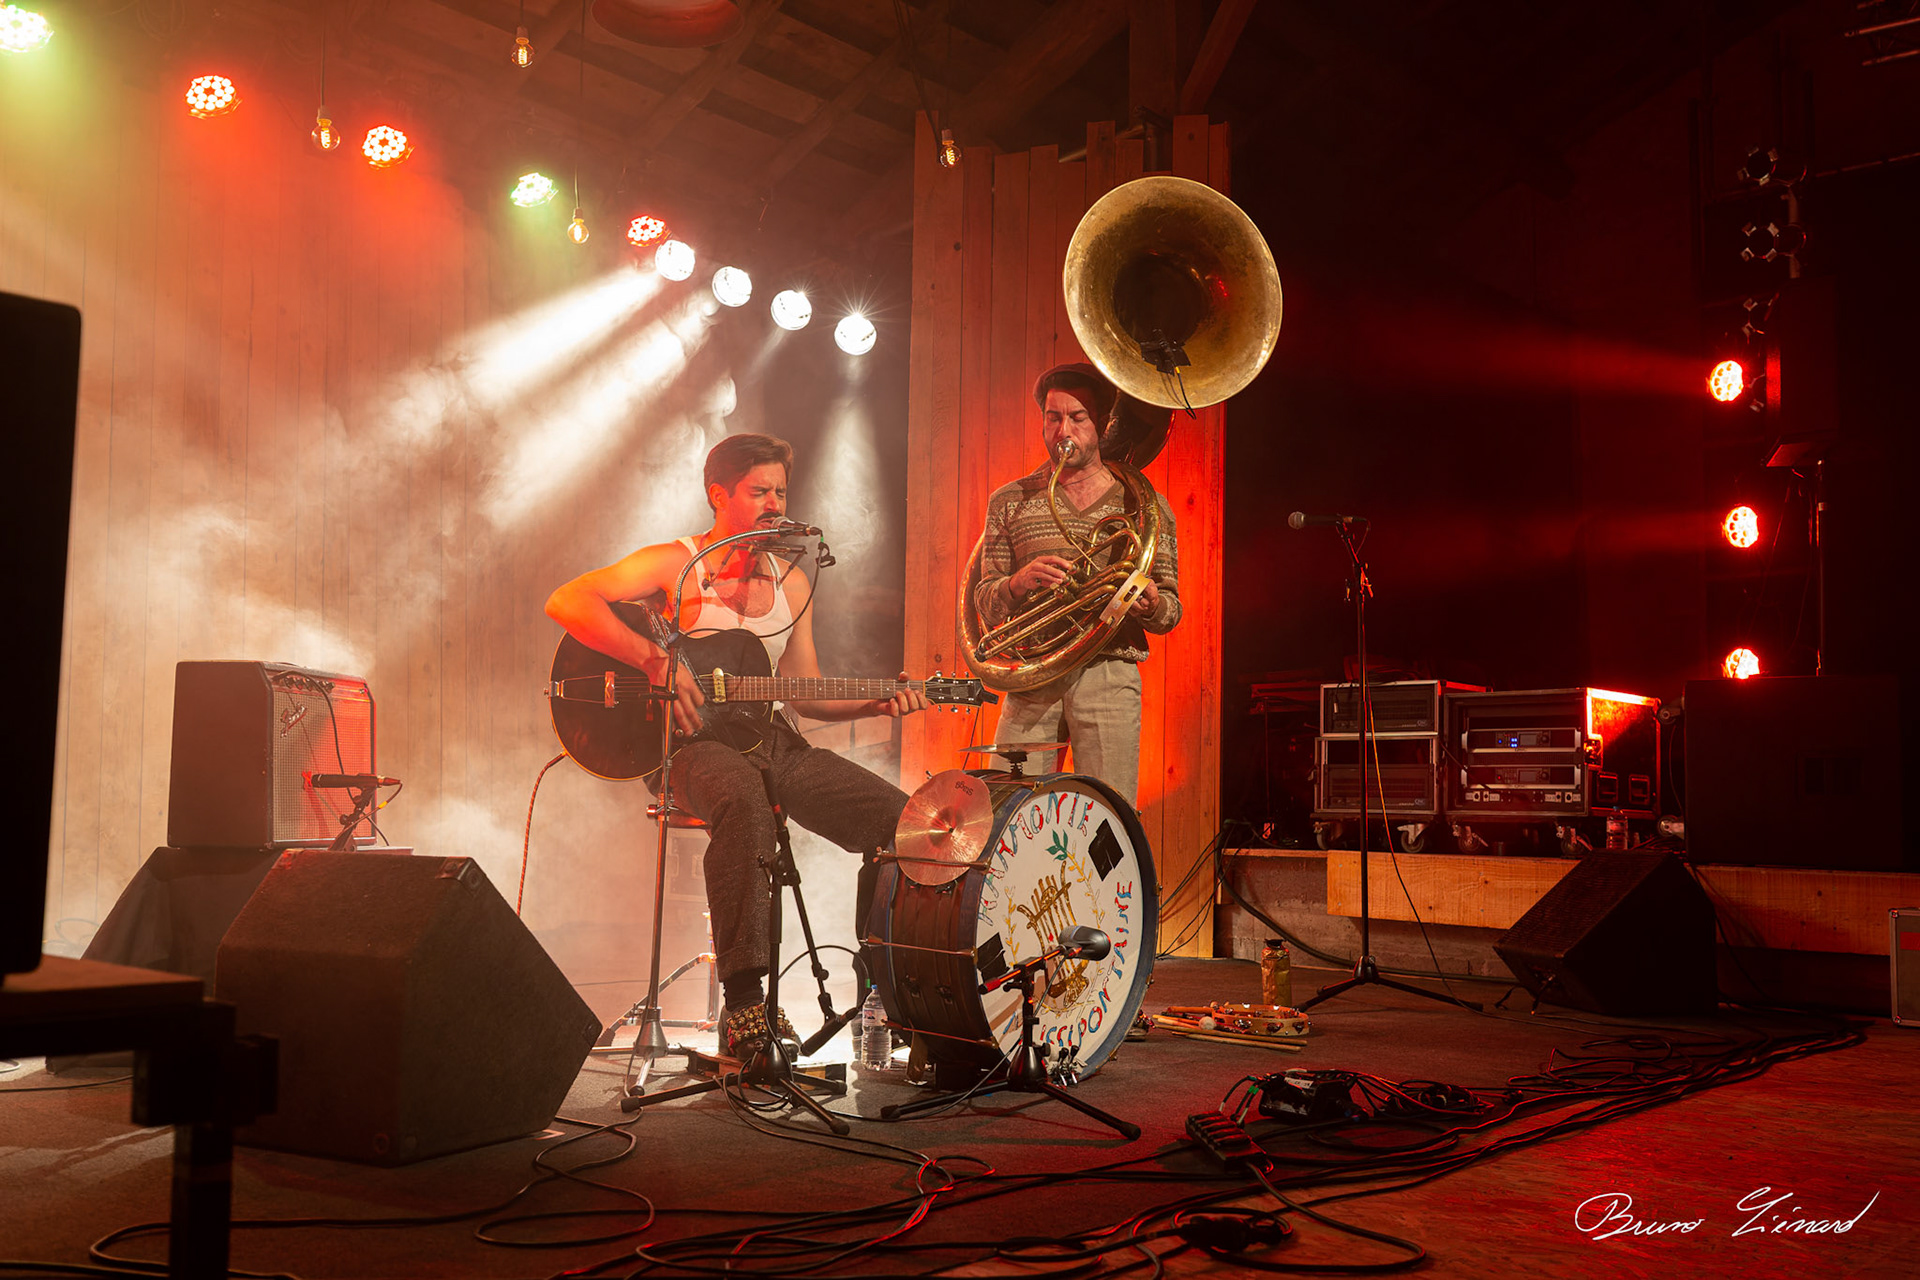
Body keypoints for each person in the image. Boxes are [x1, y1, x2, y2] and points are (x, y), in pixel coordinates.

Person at [546, 433, 927, 1060]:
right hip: (684, 746)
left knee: (898, 821)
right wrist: (653, 660)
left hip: (771, 741)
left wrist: (878, 700)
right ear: (718, 495)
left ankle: (882, 993)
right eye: (759, 491)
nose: (775, 502)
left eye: (781, 490)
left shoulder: (793, 586)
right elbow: (567, 599)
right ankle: (746, 1007)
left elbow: (801, 694)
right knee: (746, 803)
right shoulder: (676, 562)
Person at [971, 363, 1181, 805]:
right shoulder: (1010, 500)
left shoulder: (1145, 504)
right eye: (1053, 417)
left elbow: (1171, 612)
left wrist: (1151, 603)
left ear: (1102, 423)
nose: (1062, 429)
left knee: (1109, 815)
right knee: (1006, 811)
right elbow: (985, 601)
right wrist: (1016, 584)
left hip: (1109, 671)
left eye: (1077, 417)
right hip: (1031, 677)